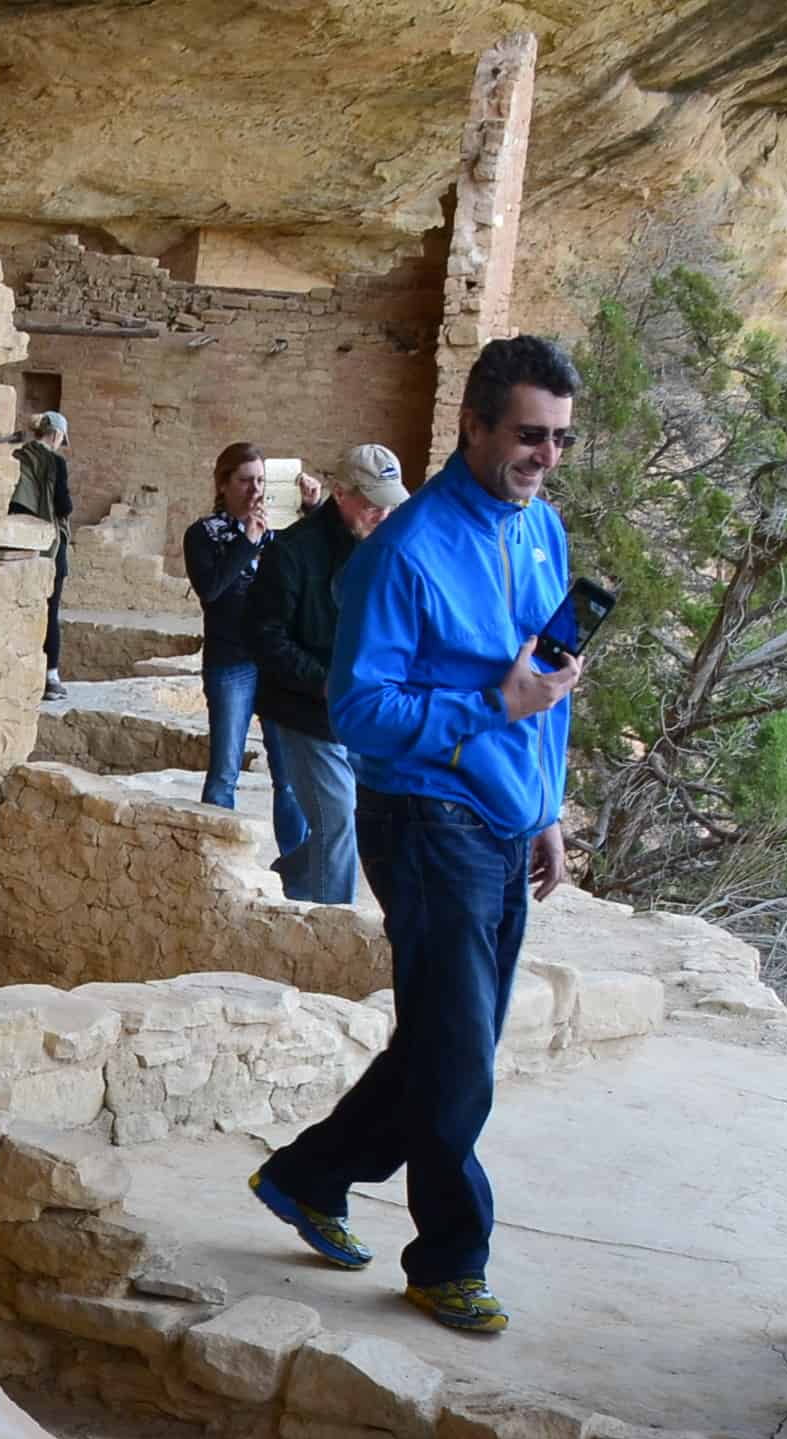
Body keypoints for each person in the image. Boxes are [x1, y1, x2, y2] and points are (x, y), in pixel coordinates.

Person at [244, 335, 585, 1338]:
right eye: (528, 435)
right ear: (472, 426)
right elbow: (361, 714)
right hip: (426, 816)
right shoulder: (405, 551)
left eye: (561, 439)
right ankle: (448, 1257)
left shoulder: (542, 532)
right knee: (460, 1052)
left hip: (500, 814)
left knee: (451, 1038)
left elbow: (547, 692)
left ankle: (310, 1173)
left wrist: (548, 810)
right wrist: (492, 703)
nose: (545, 457)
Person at [245, 441, 412, 905]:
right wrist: (325, 681)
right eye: (372, 504)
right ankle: (327, 925)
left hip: (360, 709)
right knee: (336, 819)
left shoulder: (379, 549)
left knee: (360, 819)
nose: (382, 514)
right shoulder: (294, 553)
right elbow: (266, 637)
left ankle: (280, 883)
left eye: (389, 504)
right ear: (341, 493)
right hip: (304, 710)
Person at [186, 443, 272, 812]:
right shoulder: (203, 533)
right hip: (231, 659)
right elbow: (211, 590)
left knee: (288, 771)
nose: (255, 490)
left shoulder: (278, 528)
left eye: (261, 481)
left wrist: (313, 507)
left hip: (276, 658)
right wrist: (247, 541)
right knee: (224, 768)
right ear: (224, 484)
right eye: (245, 481)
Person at [12, 411, 76, 704]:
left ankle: (15, 673)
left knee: (18, 607)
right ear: (56, 434)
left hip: (16, 543)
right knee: (50, 611)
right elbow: (63, 506)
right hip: (50, 545)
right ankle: (50, 677)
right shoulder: (55, 462)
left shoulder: (19, 456)